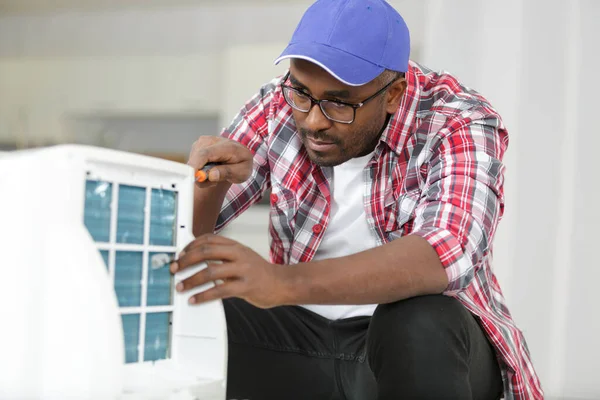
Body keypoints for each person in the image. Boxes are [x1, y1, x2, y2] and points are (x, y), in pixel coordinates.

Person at [170, 0, 543, 398]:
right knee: (184, 309)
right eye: (301, 92)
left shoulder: (457, 119)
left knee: (417, 318)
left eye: (340, 102)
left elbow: (444, 253)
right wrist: (209, 188)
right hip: (302, 340)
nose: (314, 119)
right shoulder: (278, 104)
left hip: (423, 354)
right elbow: (180, 239)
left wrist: (280, 282)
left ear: (394, 94)